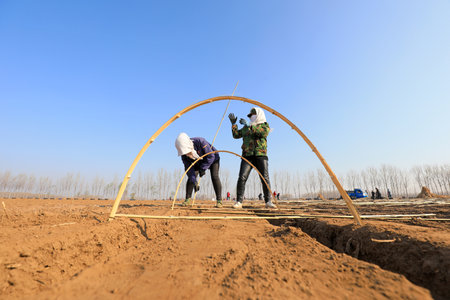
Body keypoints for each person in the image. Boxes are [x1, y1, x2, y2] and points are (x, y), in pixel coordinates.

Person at [228, 107, 276, 209]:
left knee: (265, 178)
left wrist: (250, 125)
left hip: (260, 155)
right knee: (242, 177)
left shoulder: (264, 125)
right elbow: (236, 135)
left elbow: (263, 133)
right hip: (247, 155)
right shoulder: (246, 127)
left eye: (253, 115)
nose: (251, 117)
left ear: (258, 115)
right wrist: (233, 125)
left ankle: (268, 201)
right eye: (250, 116)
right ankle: (239, 201)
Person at [175, 133, 222, 207]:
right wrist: (194, 181)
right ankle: (188, 199)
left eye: (187, 151)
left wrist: (203, 168)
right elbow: (189, 169)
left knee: (214, 176)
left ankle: (219, 200)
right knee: (191, 177)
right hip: (198, 161)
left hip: (213, 159)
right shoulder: (184, 155)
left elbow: (210, 156)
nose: (186, 154)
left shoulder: (200, 141)